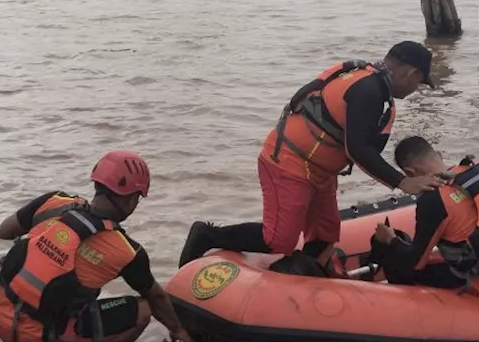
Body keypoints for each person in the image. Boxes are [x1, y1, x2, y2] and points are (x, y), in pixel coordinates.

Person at [178, 41, 444, 270]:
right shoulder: (369, 91)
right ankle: (208, 235)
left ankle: (301, 282)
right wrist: (402, 182)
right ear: (412, 73)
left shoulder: (373, 85)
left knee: (327, 234)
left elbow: (360, 146)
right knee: (279, 240)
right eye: (419, 83)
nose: (414, 90)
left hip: (319, 171)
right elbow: (359, 149)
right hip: (288, 164)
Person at [0, 149, 193, 342]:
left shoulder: (53, 202)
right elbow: (156, 298)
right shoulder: (126, 250)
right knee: (142, 310)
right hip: (37, 340)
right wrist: (180, 332)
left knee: (62, 287)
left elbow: (4, 231)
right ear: (131, 198)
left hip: (2, 320)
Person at [367, 136, 479, 294]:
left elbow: (415, 263)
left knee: (392, 252)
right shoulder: (478, 175)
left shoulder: (432, 200)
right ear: (438, 154)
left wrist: (390, 239)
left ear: (410, 173)